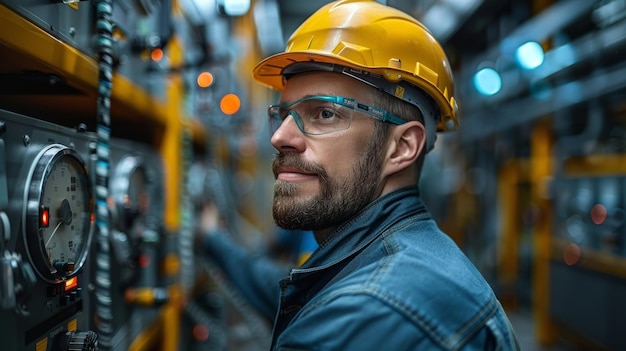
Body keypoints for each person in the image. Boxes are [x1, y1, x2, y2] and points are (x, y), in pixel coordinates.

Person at [200, 0, 520, 349]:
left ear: (401, 148)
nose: (280, 138)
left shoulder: (371, 313)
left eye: (324, 113)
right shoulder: (382, 260)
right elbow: (289, 294)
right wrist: (211, 238)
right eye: (284, 114)